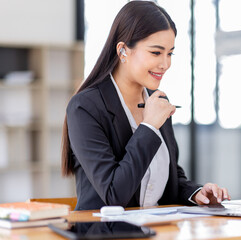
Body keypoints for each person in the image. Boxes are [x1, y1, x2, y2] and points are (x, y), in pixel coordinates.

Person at [61, 0, 230, 210]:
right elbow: (114, 194)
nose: (166, 64)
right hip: (105, 231)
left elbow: (170, 177)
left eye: (170, 53)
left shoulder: (157, 101)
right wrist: (149, 127)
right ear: (123, 51)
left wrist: (197, 193)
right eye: (156, 53)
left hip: (157, 229)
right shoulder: (85, 107)